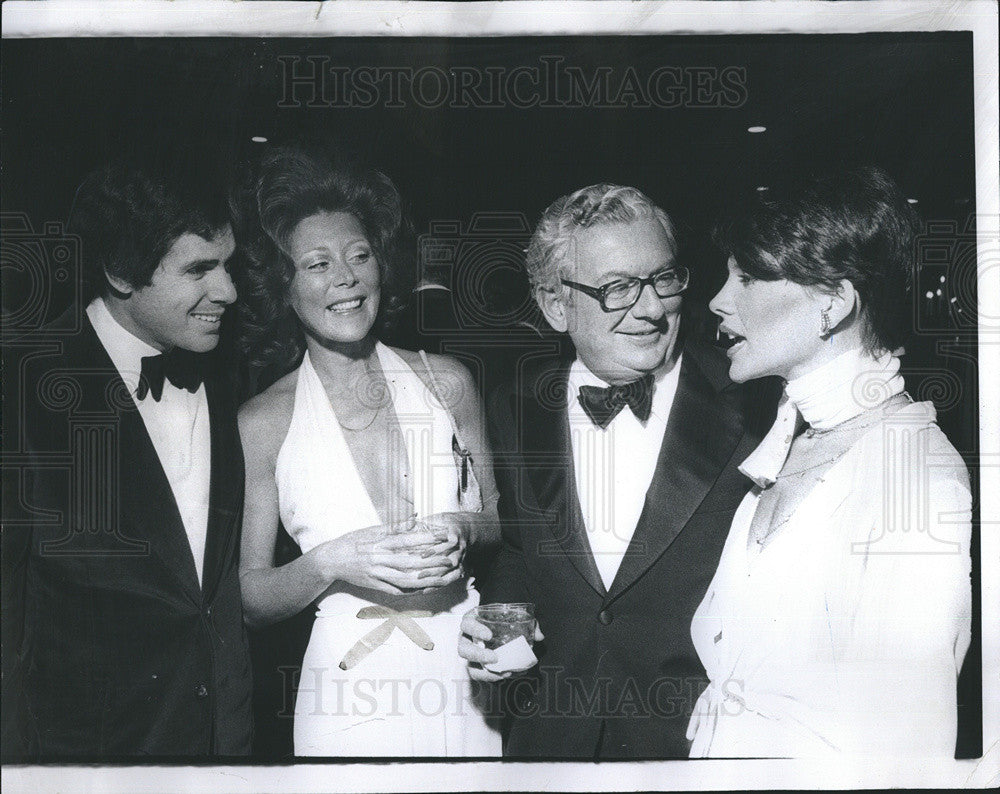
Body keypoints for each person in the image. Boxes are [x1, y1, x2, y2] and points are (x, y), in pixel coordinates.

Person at [458, 183, 777, 758]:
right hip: (549, 742)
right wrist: (500, 619)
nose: (653, 308)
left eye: (664, 278)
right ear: (556, 305)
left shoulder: (753, 402)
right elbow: (515, 549)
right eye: (617, 288)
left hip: (695, 748)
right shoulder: (515, 404)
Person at [687, 166, 972, 757]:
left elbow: (908, 748)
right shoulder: (786, 442)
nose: (718, 300)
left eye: (748, 277)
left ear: (834, 302)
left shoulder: (915, 478)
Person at [234, 143, 502, 757]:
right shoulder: (264, 420)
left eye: (359, 256)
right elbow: (252, 597)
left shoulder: (448, 382)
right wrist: (331, 561)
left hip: (466, 668)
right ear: (285, 287)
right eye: (317, 264)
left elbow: (497, 518)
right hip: (345, 689)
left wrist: (465, 527)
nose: (346, 278)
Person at [1, 159, 251, 757]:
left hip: (227, 750)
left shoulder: (232, 372)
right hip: (84, 760)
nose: (230, 291)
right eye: (200, 269)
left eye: (230, 264)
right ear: (119, 271)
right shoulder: (22, 390)